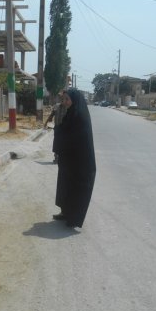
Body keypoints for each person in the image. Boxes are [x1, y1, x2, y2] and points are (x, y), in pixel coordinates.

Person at [53, 88, 96, 228]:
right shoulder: (71, 113)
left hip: (79, 163)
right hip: (69, 160)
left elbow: (76, 138)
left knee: (75, 189)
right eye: (64, 99)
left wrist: (60, 132)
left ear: (74, 100)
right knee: (65, 186)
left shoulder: (80, 116)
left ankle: (73, 218)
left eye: (67, 99)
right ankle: (65, 212)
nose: (65, 102)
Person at [43, 94, 67, 163]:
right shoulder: (56, 106)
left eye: (64, 99)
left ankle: (63, 158)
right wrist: (46, 123)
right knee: (56, 143)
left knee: (64, 143)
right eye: (62, 99)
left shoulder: (68, 108)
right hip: (57, 128)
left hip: (65, 129)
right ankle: (56, 158)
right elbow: (51, 115)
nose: (63, 100)